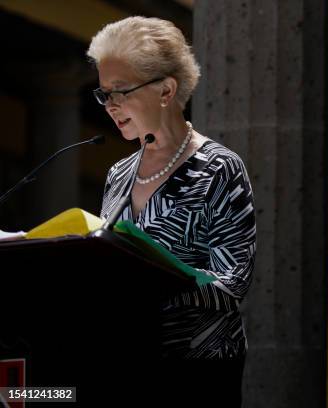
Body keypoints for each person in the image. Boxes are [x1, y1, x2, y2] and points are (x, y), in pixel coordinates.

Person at [87, 16, 256, 405]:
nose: (110, 106)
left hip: (197, 372)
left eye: (120, 91)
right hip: (126, 366)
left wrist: (151, 284)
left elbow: (233, 284)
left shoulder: (219, 168)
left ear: (166, 90)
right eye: (103, 94)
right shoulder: (119, 174)